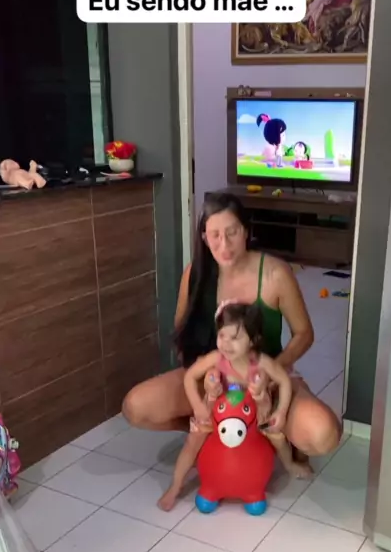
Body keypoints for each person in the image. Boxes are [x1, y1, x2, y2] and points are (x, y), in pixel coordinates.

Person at [122, 192, 342, 500]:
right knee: (135, 407)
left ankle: (269, 433)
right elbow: (182, 333)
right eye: (214, 235)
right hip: (215, 375)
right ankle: (219, 431)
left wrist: (272, 373)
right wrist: (205, 383)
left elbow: (304, 334)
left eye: (232, 232)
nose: (223, 245)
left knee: (323, 434)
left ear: (246, 231)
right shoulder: (195, 273)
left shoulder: (275, 273)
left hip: (265, 378)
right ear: (204, 237)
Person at [159, 300, 309, 511]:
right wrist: (198, 406)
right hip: (217, 416)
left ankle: (289, 464)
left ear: (253, 340)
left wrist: (281, 412)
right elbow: (190, 377)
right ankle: (175, 486)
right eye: (222, 336)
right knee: (193, 441)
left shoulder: (261, 362)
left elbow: (284, 381)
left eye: (235, 338)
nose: (226, 344)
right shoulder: (216, 359)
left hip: (253, 418)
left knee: (277, 436)